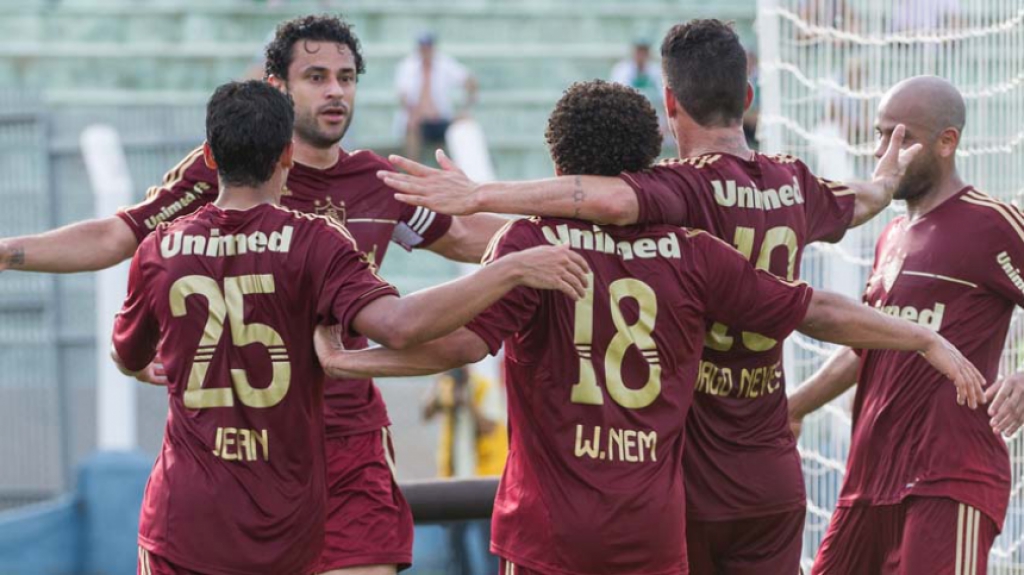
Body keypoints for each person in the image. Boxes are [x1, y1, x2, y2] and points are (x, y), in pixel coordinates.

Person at [313, 79, 985, 575]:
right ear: (647, 163)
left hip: (547, 533)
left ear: (559, 164)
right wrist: (922, 334)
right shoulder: (695, 252)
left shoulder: (531, 243)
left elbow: (456, 343)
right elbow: (818, 308)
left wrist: (349, 362)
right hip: (654, 533)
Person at [0, 14, 506, 575]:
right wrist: (8, 251)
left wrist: (555, 230)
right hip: (241, 445)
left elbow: (465, 239)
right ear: (277, 88)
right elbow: (114, 235)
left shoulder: (377, 180)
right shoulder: (220, 172)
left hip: (345, 439)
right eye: (316, 76)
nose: (335, 90)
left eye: (346, 76)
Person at [114, 80, 589, 575]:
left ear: (209, 157)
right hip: (282, 516)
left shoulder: (159, 249)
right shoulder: (314, 242)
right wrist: (509, 268)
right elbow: (400, 326)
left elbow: (128, 354)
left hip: (184, 517)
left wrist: (141, 362)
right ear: (286, 156)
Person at [788, 76, 1021, 575]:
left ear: (946, 142)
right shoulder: (892, 233)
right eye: (879, 135)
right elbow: (869, 344)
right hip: (868, 479)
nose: (884, 152)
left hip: (948, 479)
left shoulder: (991, 223)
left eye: (901, 138)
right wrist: (794, 406)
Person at [423, 366, 507, 574]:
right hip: (452, 481)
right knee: (456, 553)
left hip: (484, 483)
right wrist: (438, 383)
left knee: (489, 551)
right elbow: (426, 412)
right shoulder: (446, 386)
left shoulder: (485, 387)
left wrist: (468, 401)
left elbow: (490, 427)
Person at [395, 32, 478, 163]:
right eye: (423, 47)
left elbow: (470, 82)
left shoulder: (445, 63)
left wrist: (464, 110)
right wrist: (413, 113)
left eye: (428, 47)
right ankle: (412, 171)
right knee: (411, 127)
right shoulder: (408, 65)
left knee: (465, 126)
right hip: (419, 121)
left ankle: (466, 171)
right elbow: (403, 96)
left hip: (442, 118)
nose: (426, 50)